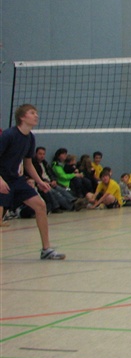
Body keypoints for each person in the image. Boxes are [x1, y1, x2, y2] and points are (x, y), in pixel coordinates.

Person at [0, 105, 66, 259]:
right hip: (2, 178)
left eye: (36, 113)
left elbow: (28, 164)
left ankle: (46, 250)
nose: (36, 115)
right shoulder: (8, 135)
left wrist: (40, 181)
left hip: (16, 180)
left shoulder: (30, 138)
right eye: (32, 113)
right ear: (22, 117)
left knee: (40, 205)